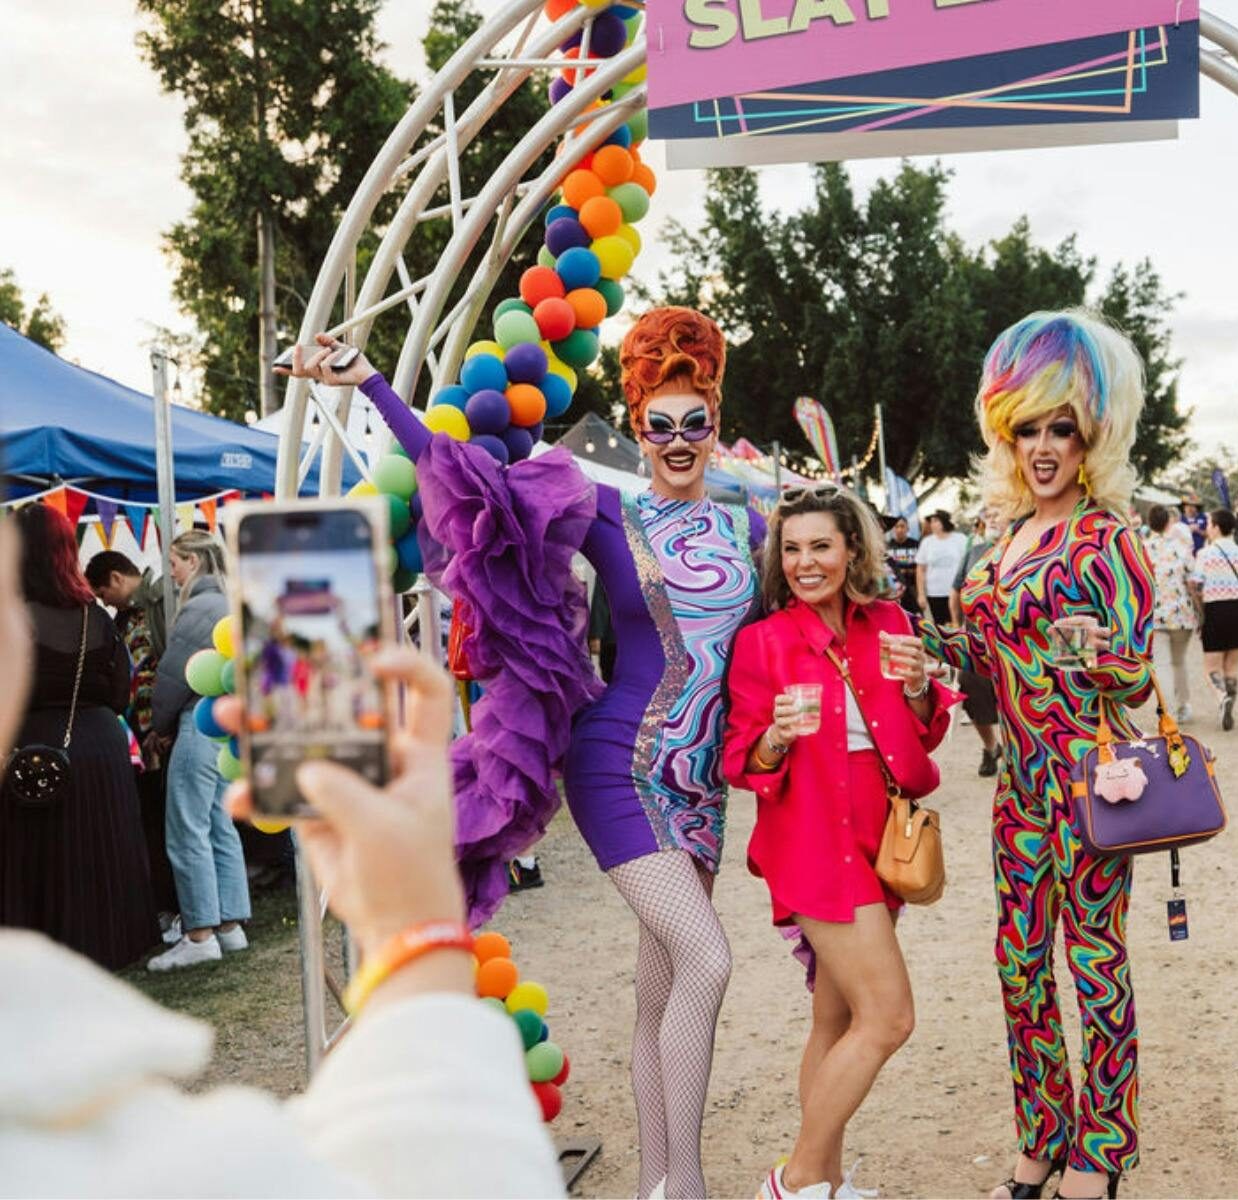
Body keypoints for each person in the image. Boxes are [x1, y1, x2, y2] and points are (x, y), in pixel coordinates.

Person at [285, 308, 762, 1200]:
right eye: (659, 423)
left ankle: (658, 1179)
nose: (678, 440)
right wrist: (373, 387)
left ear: (714, 420)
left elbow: (794, 625)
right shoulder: (605, 510)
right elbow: (478, 491)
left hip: (703, 784)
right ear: (637, 426)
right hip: (619, 763)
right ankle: (688, 1188)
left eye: (693, 419)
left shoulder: (747, 524)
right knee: (708, 961)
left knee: (660, 990)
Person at [0, 511, 566, 1194]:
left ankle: (215, 924)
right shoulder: (127, 1151)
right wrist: (414, 933)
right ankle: (219, 922)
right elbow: (450, 1169)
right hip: (93, 768)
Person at [918, 311, 1154, 1200]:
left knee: (1095, 962)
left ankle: (1104, 1149)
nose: (1045, 446)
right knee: (1018, 963)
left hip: (1097, 788)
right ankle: (1042, 1133)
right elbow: (981, 668)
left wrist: (1090, 648)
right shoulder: (997, 540)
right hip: (1017, 789)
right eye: (1030, 428)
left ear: (1093, 434)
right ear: (1004, 431)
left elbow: (1133, 681)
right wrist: (927, 658)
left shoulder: (1110, 539)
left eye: (1064, 427)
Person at [725, 484, 955, 1200]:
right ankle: (793, 1182)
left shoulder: (888, 621)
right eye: (791, 550)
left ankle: (821, 1182)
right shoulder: (762, 642)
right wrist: (773, 738)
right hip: (812, 842)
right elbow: (740, 758)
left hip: (877, 834)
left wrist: (921, 687)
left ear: (852, 548)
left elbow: (923, 730)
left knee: (836, 1016)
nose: (805, 562)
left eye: (820, 545)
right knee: (889, 1017)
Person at [1, 504, 156, 970]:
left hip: (30, 751)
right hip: (100, 747)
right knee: (102, 854)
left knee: (36, 861)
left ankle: (45, 958)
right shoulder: (98, 618)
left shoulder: (11, 619)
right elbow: (117, 693)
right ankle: (111, 948)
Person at [147, 529, 251, 969]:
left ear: (193, 561)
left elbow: (173, 676)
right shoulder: (231, 599)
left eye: (174, 561)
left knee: (186, 827)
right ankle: (229, 928)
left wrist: (158, 724)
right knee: (217, 823)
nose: (169, 571)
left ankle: (199, 933)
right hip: (226, 726)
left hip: (197, 721)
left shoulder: (198, 607)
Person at [85, 547, 180, 938]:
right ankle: (170, 906)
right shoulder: (126, 617)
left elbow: (158, 671)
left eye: (102, 593)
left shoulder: (156, 604)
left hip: (161, 734)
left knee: (169, 823)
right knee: (158, 822)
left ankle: (178, 909)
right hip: (148, 736)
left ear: (115, 579)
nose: (103, 602)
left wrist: (160, 726)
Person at [1188, 509, 1238, 732]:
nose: (1207, 527)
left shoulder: (1205, 554)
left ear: (1216, 527)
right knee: (1232, 666)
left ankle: (1221, 699)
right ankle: (1229, 708)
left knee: (1211, 668)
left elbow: (1196, 585)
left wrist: (1200, 610)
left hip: (1216, 610)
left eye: (1209, 523)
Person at [954, 514, 1002, 776]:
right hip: (976, 643)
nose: (991, 518)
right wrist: (954, 624)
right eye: (989, 512)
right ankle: (991, 747)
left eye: (999, 510)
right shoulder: (975, 552)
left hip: (1016, 650)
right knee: (972, 694)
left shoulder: (1033, 549)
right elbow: (956, 589)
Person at [1145, 506, 1198, 723]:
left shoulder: (1144, 548)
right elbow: (1192, 579)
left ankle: (1168, 713)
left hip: (1155, 615)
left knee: (1162, 665)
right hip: (1181, 613)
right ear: (1169, 522)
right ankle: (1183, 705)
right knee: (1179, 661)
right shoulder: (1182, 547)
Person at [914, 509, 966, 625]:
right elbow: (920, 569)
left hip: (956, 592)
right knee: (941, 627)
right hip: (935, 593)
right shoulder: (927, 542)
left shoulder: (960, 539)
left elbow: (967, 565)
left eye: (936, 520)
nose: (932, 524)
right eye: (931, 521)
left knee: (958, 625)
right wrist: (921, 594)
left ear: (945, 521)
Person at [884, 516, 920, 614]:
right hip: (895, 592)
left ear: (907, 528)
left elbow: (922, 568)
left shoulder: (916, 544)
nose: (899, 529)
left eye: (902, 526)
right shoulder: (887, 546)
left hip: (914, 590)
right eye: (896, 527)